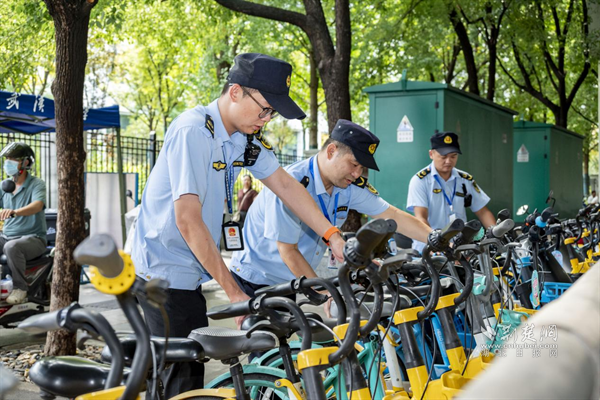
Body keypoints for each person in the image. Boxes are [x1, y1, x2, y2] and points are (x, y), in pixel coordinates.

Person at [130, 53, 345, 396]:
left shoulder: (242, 138)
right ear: (235, 92)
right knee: (180, 380)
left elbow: (286, 185)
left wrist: (331, 234)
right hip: (162, 269)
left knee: (185, 373)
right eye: (264, 109)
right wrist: (234, 292)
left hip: (188, 270)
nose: (267, 119)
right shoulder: (194, 131)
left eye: (272, 113)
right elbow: (187, 220)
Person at [228, 119, 435, 296]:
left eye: (362, 168)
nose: (357, 173)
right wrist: (324, 292)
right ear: (331, 151)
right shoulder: (292, 184)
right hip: (255, 278)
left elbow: (393, 215)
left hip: (290, 279)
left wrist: (436, 238)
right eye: (354, 164)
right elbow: (288, 250)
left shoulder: (347, 185)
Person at [407, 131, 496, 251]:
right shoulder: (420, 181)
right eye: (443, 157)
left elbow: (483, 212)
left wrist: (496, 235)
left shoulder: (465, 179)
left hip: (459, 248)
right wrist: (438, 244)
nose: (448, 161)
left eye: (453, 156)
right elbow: (421, 217)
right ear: (431, 154)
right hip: (429, 248)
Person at [0, 142, 48, 305]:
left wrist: (15, 212)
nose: (8, 162)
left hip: (33, 238)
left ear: (26, 162)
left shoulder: (36, 184)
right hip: (7, 236)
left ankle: (20, 288)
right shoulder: (4, 186)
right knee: (8, 243)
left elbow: (37, 205)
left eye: (13, 159)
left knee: (12, 247)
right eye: (7, 159)